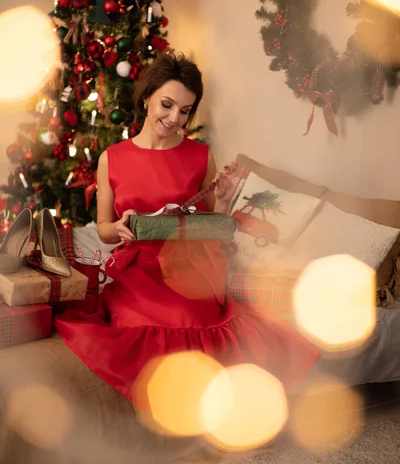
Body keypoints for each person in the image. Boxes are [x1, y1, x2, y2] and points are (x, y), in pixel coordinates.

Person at [55, 52, 320, 401]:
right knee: (145, 322)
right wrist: (117, 228)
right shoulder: (112, 158)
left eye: (185, 111)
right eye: (166, 105)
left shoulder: (199, 156)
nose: (173, 118)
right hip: (137, 268)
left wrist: (223, 201)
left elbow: (214, 226)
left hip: (189, 265)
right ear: (147, 97)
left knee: (189, 316)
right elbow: (103, 227)